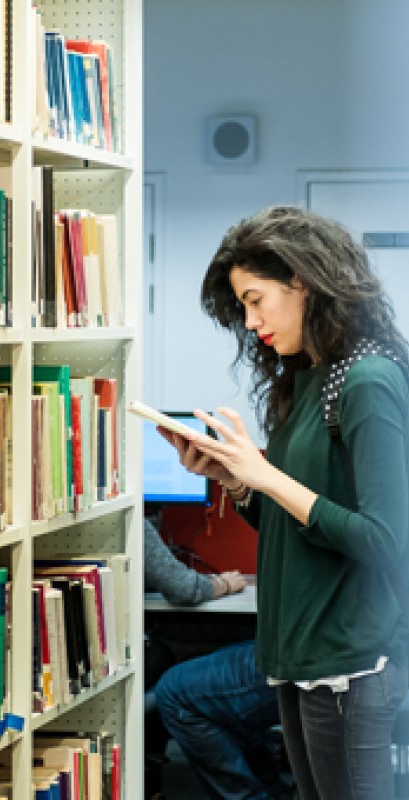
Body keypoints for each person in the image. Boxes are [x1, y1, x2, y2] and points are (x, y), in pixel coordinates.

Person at [161, 205, 409, 800]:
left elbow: (387, 541)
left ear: (302, 281)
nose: (250, 323)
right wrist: (238, 481)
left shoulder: (368, 380)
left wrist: (269, 478)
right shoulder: (307, 380)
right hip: (295, 658)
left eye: (256, 300)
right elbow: (295, 524)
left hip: (348, 662)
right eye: (241, 307)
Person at [144, 517, 286, 800]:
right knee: (193, 679)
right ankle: (273, 789)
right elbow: (183, 588)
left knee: (179, 689)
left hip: (319, 656)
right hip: (360, 652)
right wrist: (222, 583)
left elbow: (182, 588)